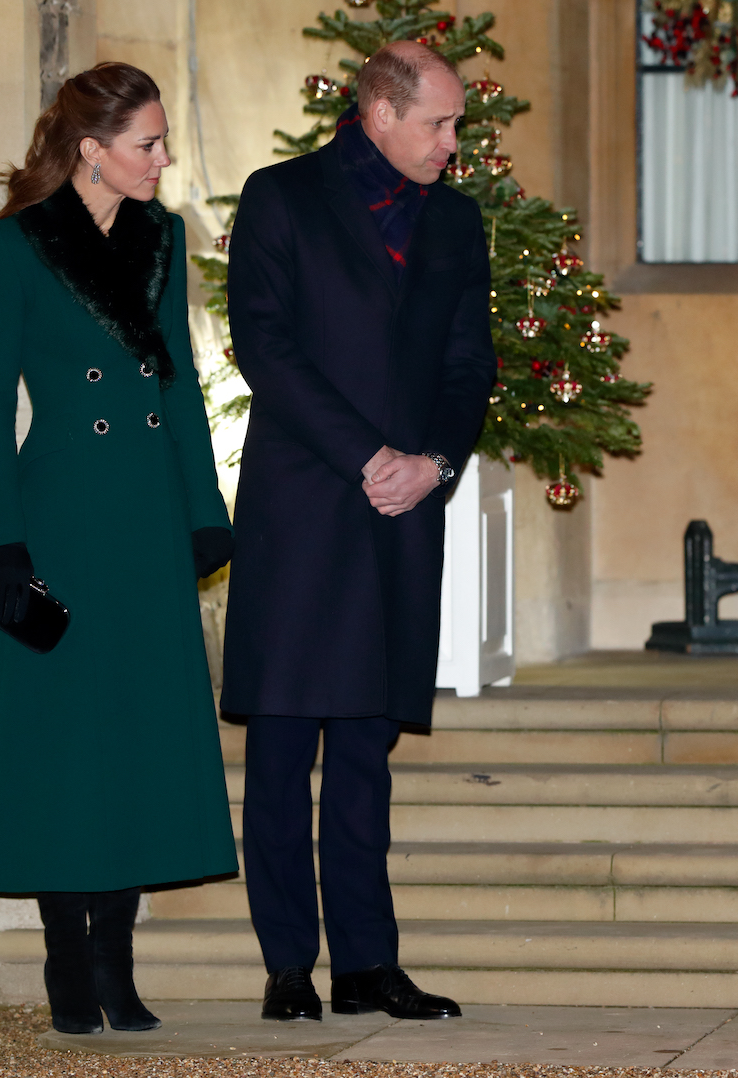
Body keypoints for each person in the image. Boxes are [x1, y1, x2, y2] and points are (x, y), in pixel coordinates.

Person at [221, 40, 495, 1022]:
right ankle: (290, 966)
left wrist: (433, 463)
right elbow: (265, 340)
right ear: (380, 113)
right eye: (440, 123)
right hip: (304, 508)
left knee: (367, 754)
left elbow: (471, 366)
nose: (452, 144)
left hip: (401, 518)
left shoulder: (457, 222)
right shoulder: (281, 196)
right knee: (287, 746)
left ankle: (369, 964)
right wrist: (366, 453)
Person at [0, 62, 238, 1035]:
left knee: (136, 734)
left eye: (163, 142)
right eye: (148, 145)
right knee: (61, 740)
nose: (164, 160)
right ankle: (65, 958)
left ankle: (119, 964)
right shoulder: (12, 248)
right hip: (63, 515)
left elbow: (181, 388)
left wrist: (205, 510)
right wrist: (5, 542)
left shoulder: (164, 239)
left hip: (148, 518)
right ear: (92, 150)